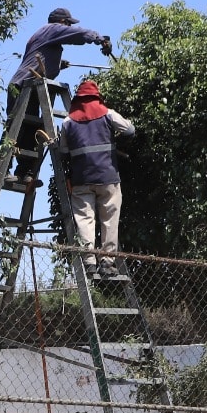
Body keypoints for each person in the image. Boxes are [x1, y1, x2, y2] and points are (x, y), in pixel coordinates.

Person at [7, 8, 111, 181]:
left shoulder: (44, 35)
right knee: (15, 129)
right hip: (21, 87)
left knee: (30, 129)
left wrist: (57, 64)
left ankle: (24, 172)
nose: (69, 26)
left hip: (31, 87)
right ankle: (3, 171)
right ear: (62, 22)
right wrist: (99, 39)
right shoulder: (51, 29)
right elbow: (75, 34)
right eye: (68, 23)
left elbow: (37, 55)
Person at [55, 78, 134, 277]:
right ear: (96, 95)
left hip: (81, 179)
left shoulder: (67, 122)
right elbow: (130, 131)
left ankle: (89, 262)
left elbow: (63, 151)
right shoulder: (108, 114)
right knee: (109, 220)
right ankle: (107, 262)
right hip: (108, 178)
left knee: (84, 221)